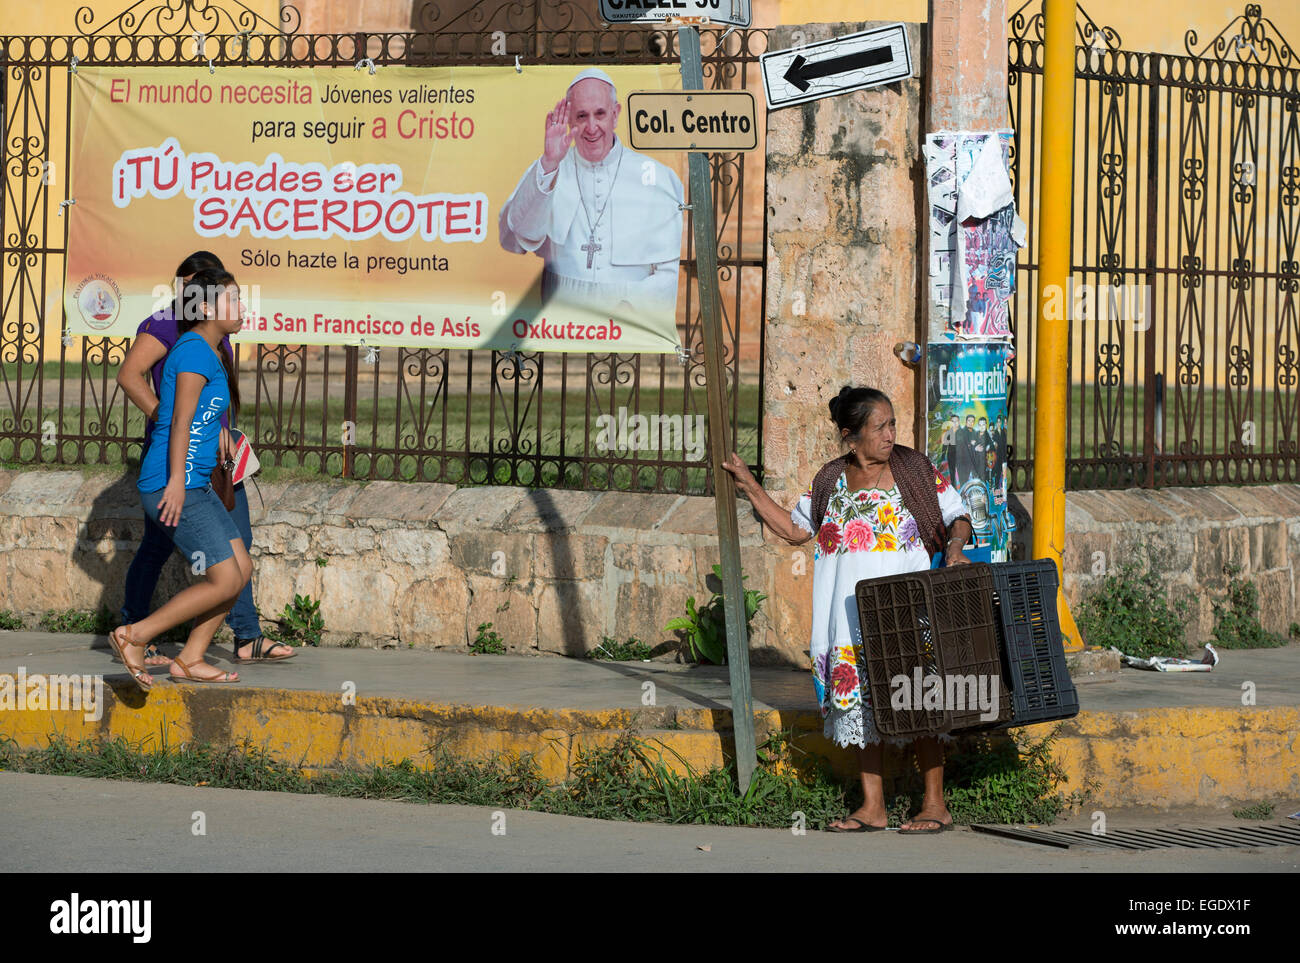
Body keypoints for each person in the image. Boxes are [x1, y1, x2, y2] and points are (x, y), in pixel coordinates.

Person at [722, 387, 973, 834]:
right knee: (858, 707)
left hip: (905, 611)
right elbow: (796, 530)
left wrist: (954, 548)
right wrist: (750, 486)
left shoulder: (914, 469)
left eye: (893, 424)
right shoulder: (829, 481)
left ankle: (935, 805)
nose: (891, 434)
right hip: (848, 618)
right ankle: (872, 806)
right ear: (850, 437)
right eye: (880, 427)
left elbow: (958, 513)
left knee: (919, 700)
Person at [116, 252, 290, 667]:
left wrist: (219, 432)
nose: (243, 309)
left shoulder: (212, 345)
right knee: (222, 573)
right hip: (177, 480)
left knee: (239, 565)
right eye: (232, 300)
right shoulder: (189, 346)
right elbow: (178, 420)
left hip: (196, 478)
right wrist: (176, 479)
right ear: (205, 305)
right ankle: (134, 634)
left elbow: (200, 415)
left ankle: (193, 657)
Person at [498, 68, 684, 326]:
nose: (591, 127)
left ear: (616, 114)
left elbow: (667, 274)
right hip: (561, 324)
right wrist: (550, 162)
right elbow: (518, 235)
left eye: (600, 114)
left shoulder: (657, 176)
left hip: (629, 326)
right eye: (581, 116)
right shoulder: (550, 167)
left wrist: (622, 310)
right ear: (570, 120)